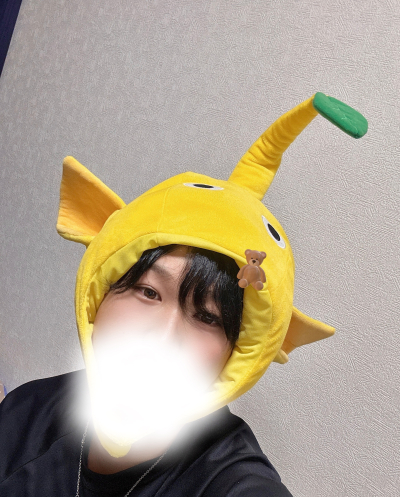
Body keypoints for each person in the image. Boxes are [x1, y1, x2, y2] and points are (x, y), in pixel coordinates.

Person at [0, 92, 367, 496]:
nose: (162, 336)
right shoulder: (27, 412)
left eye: (207, 316)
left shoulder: (230, 479)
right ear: (98, 296)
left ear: (238, 354)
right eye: (148, 291)